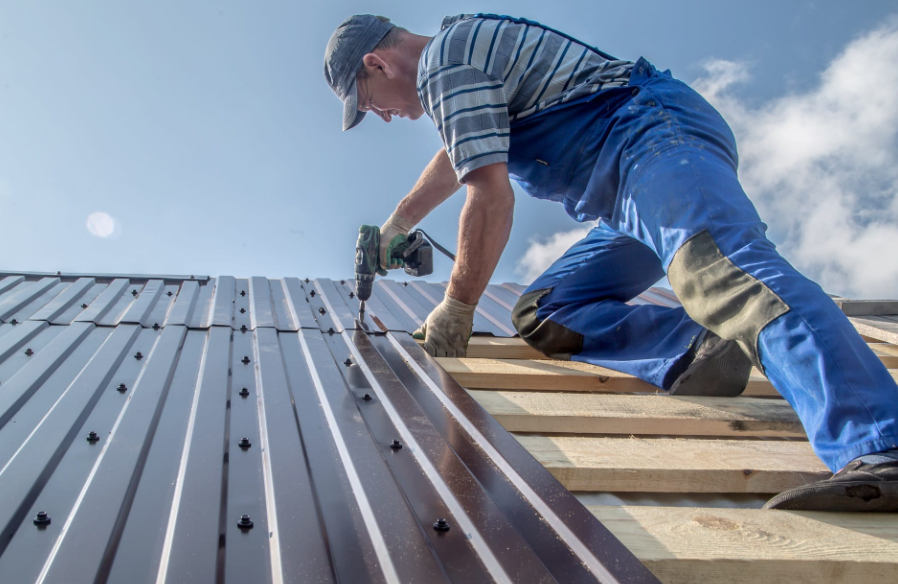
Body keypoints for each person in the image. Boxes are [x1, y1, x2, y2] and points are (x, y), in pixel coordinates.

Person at [324, 13, 898, 511]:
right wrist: (398, 223)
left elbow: (489, 194)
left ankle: (877, 443)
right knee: (546, 310)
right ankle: (696, 347)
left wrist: (458, 305)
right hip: (624, 196)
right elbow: (457, 156)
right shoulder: (458, 66)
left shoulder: (444, 64)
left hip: (652, 140)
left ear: (376, 62)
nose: (381, 115)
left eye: (368, 102)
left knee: (722, 272)